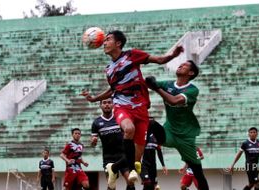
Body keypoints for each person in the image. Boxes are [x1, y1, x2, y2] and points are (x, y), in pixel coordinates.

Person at [80, 30, 183, 182]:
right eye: (104, 40)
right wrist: (94, 99)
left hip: (140, 106)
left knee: (137, 155)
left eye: (108, 39)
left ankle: (114, 168)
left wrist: (173, 56)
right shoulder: (108, 69)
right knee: (129, 129)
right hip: (122, 105)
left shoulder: (132, 55)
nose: (104, 42)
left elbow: (159, 60)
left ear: (118, 43)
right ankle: (132, 170)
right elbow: (113, 90)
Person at [145, 60, 209, 190]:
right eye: (181, 64)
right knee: (150, 123)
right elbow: (148, 84)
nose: (180, 65)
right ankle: (137, 160)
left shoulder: (192, 90)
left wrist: (156, 87)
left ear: (191, 73)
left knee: (198, 173)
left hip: (186, 137)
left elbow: (174, 101)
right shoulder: (168, 84)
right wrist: (147, 81)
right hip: (169, 132)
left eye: (185, 65)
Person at [91, 98, 135, 190]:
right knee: (111, 186)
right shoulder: (96, 123)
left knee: (130, 182)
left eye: (109, 102)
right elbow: (93, 143)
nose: (107, 104)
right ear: (100, 105)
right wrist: (93, 141)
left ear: (113, 105)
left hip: (123, 156)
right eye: (104, 102)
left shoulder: (119, 118)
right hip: (108, 158)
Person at [140, 118, 168, 190]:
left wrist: (163, 165)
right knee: (147, 182)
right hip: (144, 164)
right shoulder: (143, 135)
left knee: (153, 186)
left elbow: (159, 152)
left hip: (153, 165)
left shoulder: (156, 137)